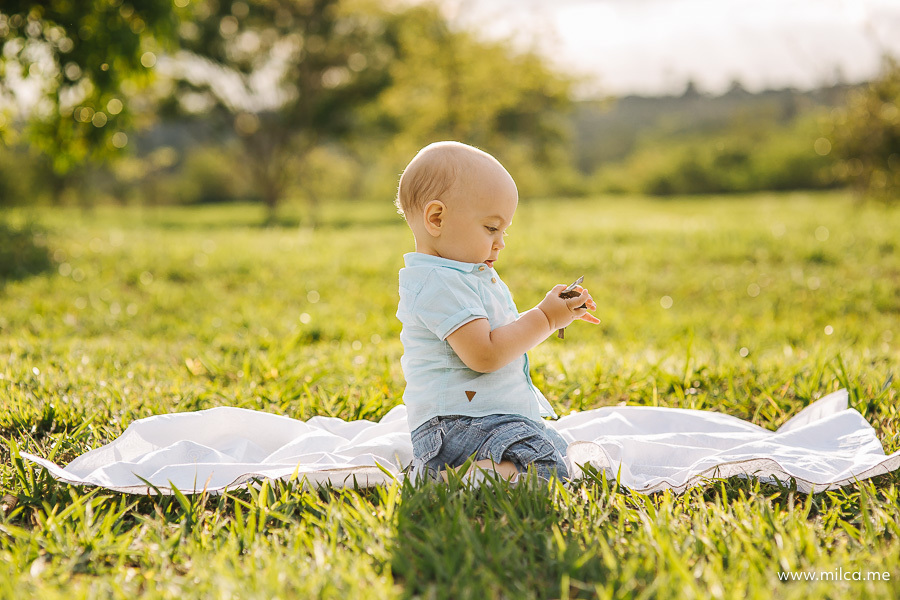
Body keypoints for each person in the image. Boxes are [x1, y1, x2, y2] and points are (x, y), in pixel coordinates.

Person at [394, 141, 601, 482]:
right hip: (458, 424)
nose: (500, 242)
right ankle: (446, 480)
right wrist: (546, 317)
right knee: (546, 469)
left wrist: (557, 311)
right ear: (436, 218)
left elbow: (498, 338)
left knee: (559, 450)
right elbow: (485, 355)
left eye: (503, 231)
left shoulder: (461, 276)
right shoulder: (439, 282)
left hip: (481, 420)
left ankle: (471, 473)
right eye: (491, 228)